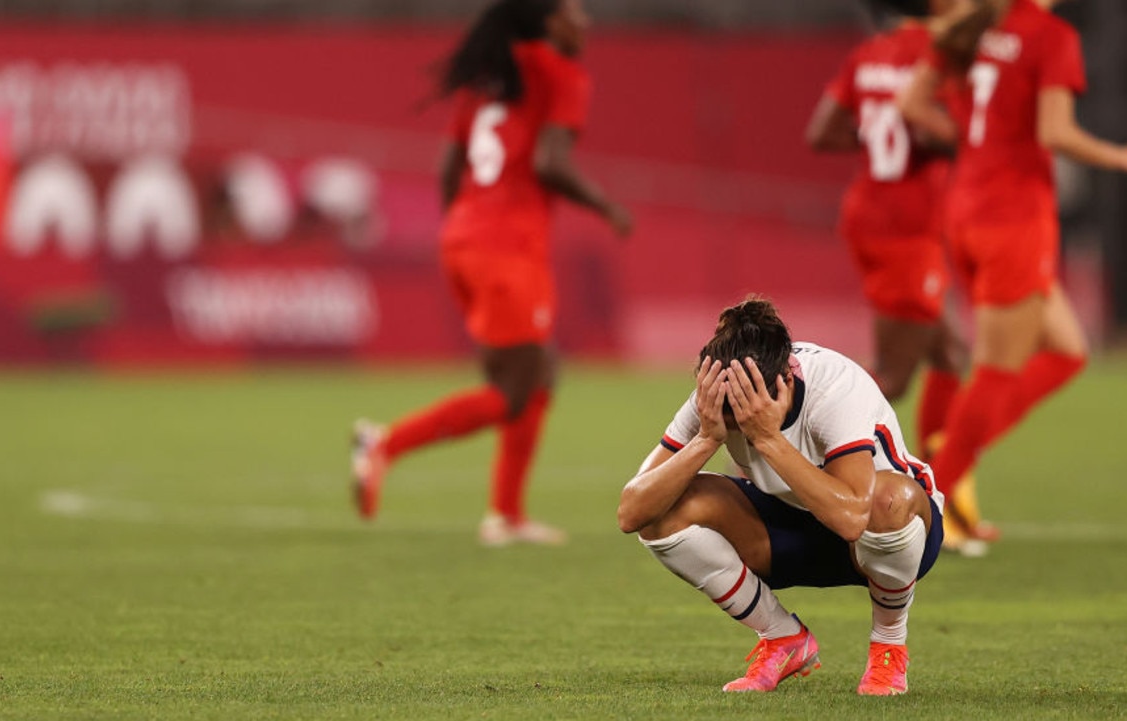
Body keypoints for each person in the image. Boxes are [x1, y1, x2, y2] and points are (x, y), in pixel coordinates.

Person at [352, 0, 631, 546]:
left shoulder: (487, 76)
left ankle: (506, 514)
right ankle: (384, 443)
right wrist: (605, 205)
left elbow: (449, 168)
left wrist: (464, 229)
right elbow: (551, 162)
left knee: (539, 373)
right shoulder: (562, 74)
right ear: (549, 20)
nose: (586, 21)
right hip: (508, 248)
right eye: (576, 10)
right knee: (511, 392)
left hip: (463, 238)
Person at [896, 0, 1127, 534]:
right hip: (1014, 219)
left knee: (1067, 352)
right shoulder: (1050, 35)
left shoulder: (972, 24)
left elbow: (912, 103)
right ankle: (921, 504)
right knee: (996, 369)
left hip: (966, 210)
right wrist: (1122, 158)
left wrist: (975, 143)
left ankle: (958, 439)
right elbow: (1054, 133)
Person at [618, 298, 943, 696]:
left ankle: (888, 647)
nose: (739, 419)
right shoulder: (717, 394)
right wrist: (705, 438)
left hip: (886, 538)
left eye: (747, 412)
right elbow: (631, 511)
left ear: (787, 380)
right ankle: (782, 638)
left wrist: (767, 438)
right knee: (662, 510)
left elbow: (852, 518)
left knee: (886, 500)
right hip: (788, 530)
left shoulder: (836, 385)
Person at [805, 0, 991, 553]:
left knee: (950, 356)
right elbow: (937, 122)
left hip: (867, 213)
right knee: (892, 375)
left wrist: (876, 137)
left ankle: (945, 495)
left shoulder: (867, 55)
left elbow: (822, 133)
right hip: (908, 228)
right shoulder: (938, 52)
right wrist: (950, 142)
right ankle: (795, 448)